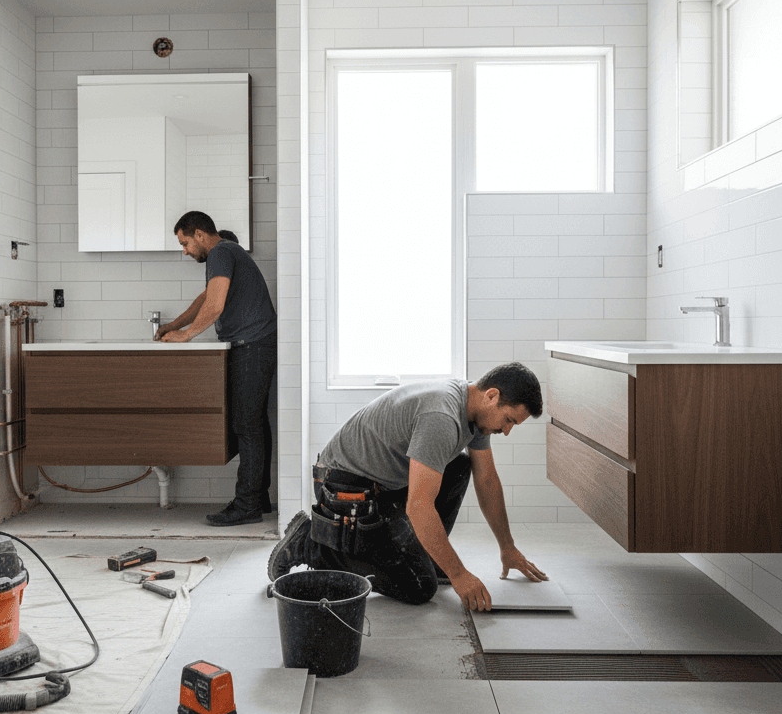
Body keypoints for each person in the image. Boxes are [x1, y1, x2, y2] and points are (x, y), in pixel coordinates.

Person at [267, 362, 548, 611]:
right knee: (419, 587)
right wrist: (459, 574)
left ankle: (427, 555)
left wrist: (507, 547)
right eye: (509, 420)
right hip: (344, 487)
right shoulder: (442, 417)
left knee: (461, 466)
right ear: (492, 396)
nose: (507, 431)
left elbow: (486, 480)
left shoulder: (474, 411)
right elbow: (419, 506)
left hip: (383, 484)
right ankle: (312, 546)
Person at [156, 211, 276, 525]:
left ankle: (247, 505)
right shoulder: (228, 252)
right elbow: (205, 298)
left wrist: (185, 335)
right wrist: (174, 325)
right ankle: (258, 498)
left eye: (185, 243)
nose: (185, 251)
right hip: (256, 344)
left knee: (247, 425)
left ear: (199, 234)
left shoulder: (220, 252)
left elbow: (215, 305)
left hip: (251, 345)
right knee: (254, 424)